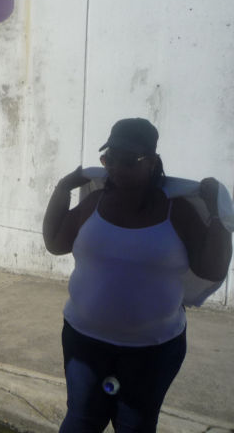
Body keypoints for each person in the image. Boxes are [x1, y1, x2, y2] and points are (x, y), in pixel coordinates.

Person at [42, 118, 232, 432]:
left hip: (152, 353)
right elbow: (55, 243)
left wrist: (218, 215)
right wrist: (62, 188)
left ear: (152, 163)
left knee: (135, 427)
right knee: (81, 421)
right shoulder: (94, 201)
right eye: (109, 159)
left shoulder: (178, 211)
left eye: (128, 160)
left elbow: (210, 268)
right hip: (84, 343)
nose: (115, 168)